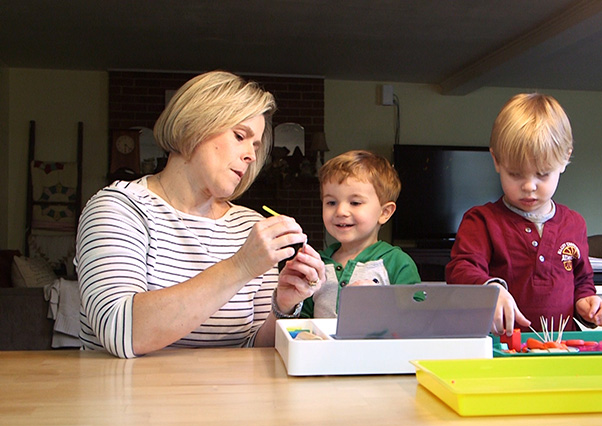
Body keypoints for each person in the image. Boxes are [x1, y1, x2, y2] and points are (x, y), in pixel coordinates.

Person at [76, 71, 326, 358]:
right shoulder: (119, 208)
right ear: (194, 126)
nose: (252, 156)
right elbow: (119, 331)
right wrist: (240, 267)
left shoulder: (251, 226)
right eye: (240, 136)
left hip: (227, 400)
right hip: (131, 400)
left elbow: (253, 349)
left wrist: (283, 306)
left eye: (256, 146)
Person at [445, 93, 602, 336]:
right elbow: (460, 269)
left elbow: (582, 282)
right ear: (497, 161)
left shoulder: (574, 223)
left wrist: (587, 304)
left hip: (562, 350)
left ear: (564, 159)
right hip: (500, 351)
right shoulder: (481, 221)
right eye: (515, 174)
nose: (529, 186)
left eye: (542, 174)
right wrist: (491, 289)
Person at [298, 150, 421, 318]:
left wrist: (384, 303)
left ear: (384, 212)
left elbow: (417, 320)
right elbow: (301, 322)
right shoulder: (317, 265)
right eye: (331, 202)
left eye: (355, 202)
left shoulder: (397, 263)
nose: (340, 211)